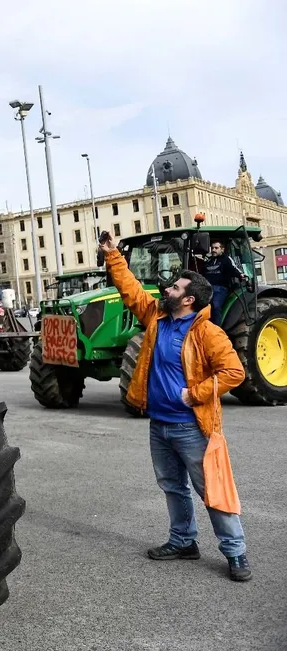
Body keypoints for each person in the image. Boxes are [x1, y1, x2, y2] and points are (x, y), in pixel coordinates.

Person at [100, 232, 251, 581]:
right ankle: (183, 541)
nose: (166, 290)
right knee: (172, 487)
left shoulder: (207, 333)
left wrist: (195, 393)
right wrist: (112, 255)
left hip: (192, 426)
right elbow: (131, 290)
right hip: (159, 424)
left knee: (212, 489)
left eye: (175, 288)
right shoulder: (157, 317)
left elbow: (234, 372)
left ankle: (236, 551)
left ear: (189, 300)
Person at [202, 241, 247, 325]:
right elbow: (203, 273)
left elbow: (233, 268)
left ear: (222, 249)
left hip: (220, 288)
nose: (213, 250)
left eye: (216, 248)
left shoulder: (226, 259)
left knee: (215, 306)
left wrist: (240, 275)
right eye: (212, 248)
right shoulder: (208, 261)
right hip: (207, 288)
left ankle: (217, 329)